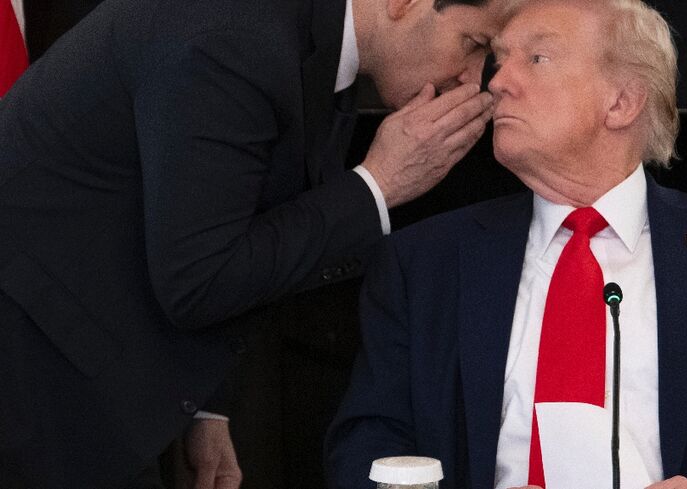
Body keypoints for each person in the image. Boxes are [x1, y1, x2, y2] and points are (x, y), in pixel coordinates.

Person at [324, 0, 687, 488]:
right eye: (499, 59)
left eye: (535, 60)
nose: (496, 82)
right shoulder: (423, 262)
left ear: (622, 101)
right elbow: (364, 448)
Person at [0, 0, 519, 486]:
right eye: (473, 44)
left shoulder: (303, 32)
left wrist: (202, 407)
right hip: (37, 381)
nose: (473, 80)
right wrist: (378, 184)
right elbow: (200, 279)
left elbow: (223, 215)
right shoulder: (230, 38)